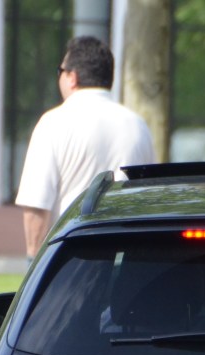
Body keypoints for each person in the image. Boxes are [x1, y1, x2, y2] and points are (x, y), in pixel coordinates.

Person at [16, 35, 155, 261]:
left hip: (72, 259)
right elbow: (149, 198)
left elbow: (36, 205)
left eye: (60, 71)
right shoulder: (137, 125)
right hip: (127, 256)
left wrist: (34, 260)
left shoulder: (53, 123)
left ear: (72, 77)